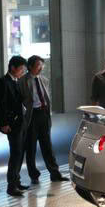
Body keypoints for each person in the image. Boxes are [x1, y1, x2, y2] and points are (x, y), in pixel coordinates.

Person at [23, 55, 68, 185]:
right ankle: (34, 175)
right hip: (31, 116)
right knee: (30, 147)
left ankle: (55, 173)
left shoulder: (44, 80)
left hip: (43, 114)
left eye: (42, 65)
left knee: (47, 145)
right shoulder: (23, 81)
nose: (41, 68)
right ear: (30, 66)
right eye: (38, 65)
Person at [0, 55, 29, 197]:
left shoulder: (15, 81)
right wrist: (4, 124)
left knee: (19, 153)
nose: (22, 72)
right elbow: (1, 104)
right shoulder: (3, 82)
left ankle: (16, 181)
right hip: (11, 124)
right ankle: (11, 186)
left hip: (20, 122)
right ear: (13, 68)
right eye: (21, 69)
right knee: (15, 154)